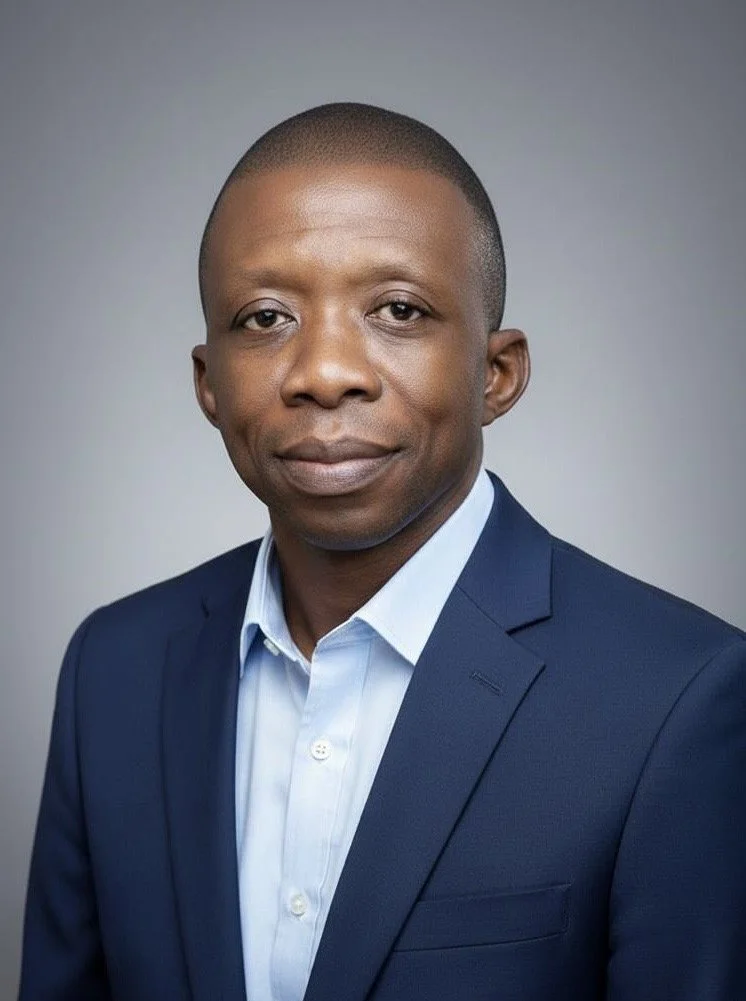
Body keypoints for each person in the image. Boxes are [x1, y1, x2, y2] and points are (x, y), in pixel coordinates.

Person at [19, 102, 746, 1001]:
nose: (326, 371)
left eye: (398, 310)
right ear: (208, 382)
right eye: (264, 317)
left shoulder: (677, 695)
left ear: (497, 372)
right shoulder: (113, 669)